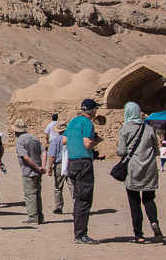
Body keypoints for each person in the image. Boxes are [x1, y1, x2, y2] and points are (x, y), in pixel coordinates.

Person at [117, 102, 163, 244]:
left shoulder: (125, 129)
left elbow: (122, 152)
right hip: (149, 168)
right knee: (149, 199)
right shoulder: (149, 129)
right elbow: (156, 150)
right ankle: (154, 222)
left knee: (134, 202)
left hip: (133, 169)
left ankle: (139, 235)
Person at [64, 98, 104, 244]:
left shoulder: (73, 121)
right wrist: (98, 140)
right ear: (93, 110)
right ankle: (81, 235)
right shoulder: (87, 123)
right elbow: (87, 143)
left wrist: (75, 141)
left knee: (78, 199)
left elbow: (63, 140)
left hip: (72, 162)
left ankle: (78, 232)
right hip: (83, 163)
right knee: (85, 200)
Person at [12, 118, 46, 224]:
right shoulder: (34, 138)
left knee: (30, 194)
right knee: (37, 194)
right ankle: (40, 216)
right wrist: (42, 166)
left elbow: (25, 157)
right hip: (38, 170)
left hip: (29, 170)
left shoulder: (20, 141)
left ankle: (33, 217)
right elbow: (44, 152)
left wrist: (36, 167)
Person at [46, 121, 73, 214]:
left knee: (58, 187)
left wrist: (49, 166)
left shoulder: (55, 141)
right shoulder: (70, 139)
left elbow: (52, 156)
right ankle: (76, 203)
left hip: (59, 164)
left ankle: (59, 206)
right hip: (70, 163)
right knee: (72, 185)